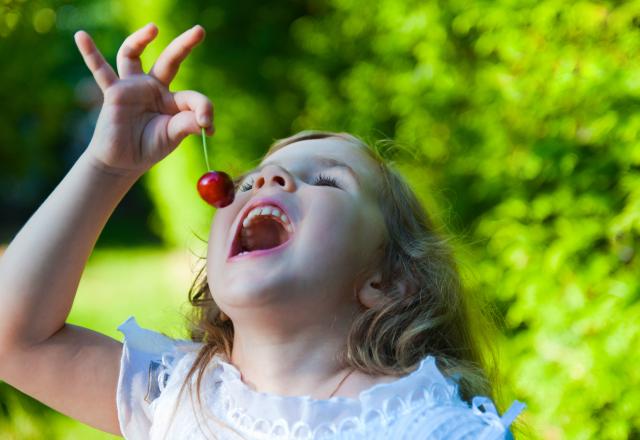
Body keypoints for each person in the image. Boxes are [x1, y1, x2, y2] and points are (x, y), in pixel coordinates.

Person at [0, 23, 525, 439]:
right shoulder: (176, 395)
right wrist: (108, 166)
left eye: (326, 180)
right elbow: (13, 339)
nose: (267, 179)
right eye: (247, 181)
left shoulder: (434, 429)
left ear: (387, 281)